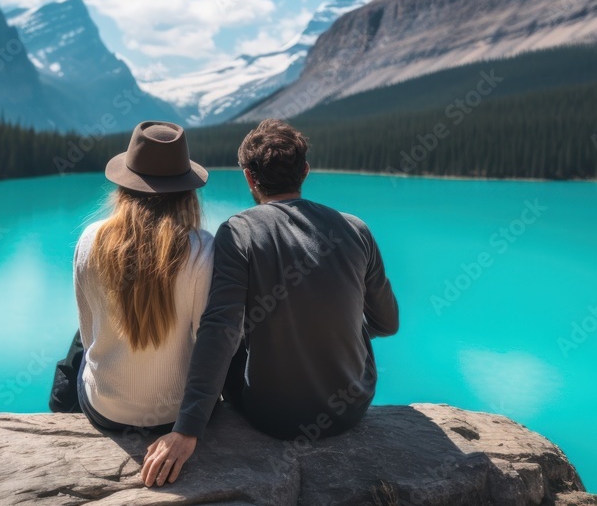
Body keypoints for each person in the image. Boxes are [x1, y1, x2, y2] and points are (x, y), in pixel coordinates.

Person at [140, 119, 399, 486]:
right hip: (349, 410)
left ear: (249, 177)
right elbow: (388, 323)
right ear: (305, 172)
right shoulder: (356, 229)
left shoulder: (239, 231)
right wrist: (333, 327)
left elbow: (221, 329)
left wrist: (187, 428)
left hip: (272, 418)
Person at [49, 121, 214, 433]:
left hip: (105, 409)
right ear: (187, 191)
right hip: (175, 414)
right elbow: (211, 341)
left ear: (125, 185)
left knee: (81, 340)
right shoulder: (203, 248)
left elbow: (88, 335)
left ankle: (60, 404)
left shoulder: (90, 239)